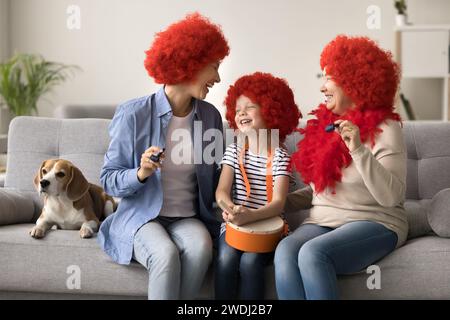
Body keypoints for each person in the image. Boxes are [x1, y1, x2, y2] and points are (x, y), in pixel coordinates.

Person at [97, 13, 229, 300]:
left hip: (188, 217)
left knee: (201, 247)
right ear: (190, 63)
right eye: (214, 67)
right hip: (143, 217)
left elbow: (218, 176)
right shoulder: (133, 114)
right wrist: (141, 173)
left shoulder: (210, 117)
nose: (218, 78)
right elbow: (108, 180)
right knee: (165, 254)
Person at [274, 35, 408, 300]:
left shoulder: (386, 130)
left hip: (375, 222)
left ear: (354, 80)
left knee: (313, 253)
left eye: (329, 77)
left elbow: (391, 198)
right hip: (323, 221)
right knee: (286, 251)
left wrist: (357, 148)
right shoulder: (327, 127)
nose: (322, 87)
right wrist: (276, 202)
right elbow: (318, 193)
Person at [215, 72, 301, 299]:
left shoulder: (281, 157)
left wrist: (249, 216)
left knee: (251, 262)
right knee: (225, 259)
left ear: (272, 111)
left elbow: (278, 203)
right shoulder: (233, 150)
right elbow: (221, 191)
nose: (241, 112)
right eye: (238, 108)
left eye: (250, 106)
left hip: (269, 229)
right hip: (234, 224)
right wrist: (230, 208)